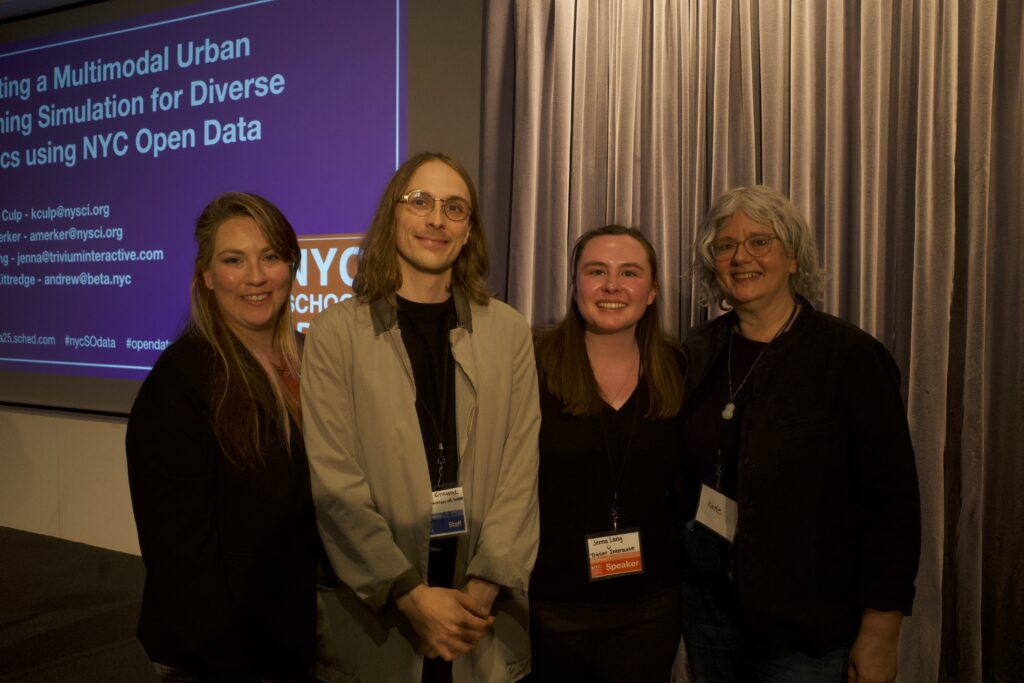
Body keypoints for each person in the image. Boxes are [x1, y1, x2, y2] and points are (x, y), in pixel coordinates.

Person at [302, 152, 541, 682]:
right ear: (394, 215)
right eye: (421, 202)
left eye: (455, 208)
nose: (436, 219)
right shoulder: (334, 334)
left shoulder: (508, 331)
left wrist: (481, 591)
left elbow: (520, 470)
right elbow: (334, 484)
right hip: (383, 617)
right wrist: (410, 596)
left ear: (469, 230)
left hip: (483, 618)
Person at [678, 185, 921, 683]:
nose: (741, 257)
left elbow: (892, 503)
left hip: (806, 618)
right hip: (707, 605)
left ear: (792, 258)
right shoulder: (695, 352)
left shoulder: (849, 358)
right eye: (726, 246)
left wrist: (881, 630)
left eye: (760, 242)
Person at [126, 192, 319, 681]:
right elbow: (180, 557)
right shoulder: (181, 381)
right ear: (207, 277)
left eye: (270, 257)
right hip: (223, 656)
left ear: (290, 267)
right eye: (233, 260)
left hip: (303, 638)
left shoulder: (314, 360)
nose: (255, 277)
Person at [528, 225, 686, 682]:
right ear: (575, 285)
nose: (612, 286)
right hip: (552, 605)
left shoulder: (680, 368)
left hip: (650, 607)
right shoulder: (531, 362)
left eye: (630, 273)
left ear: (652, 291)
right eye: (596, 271)